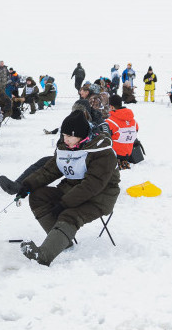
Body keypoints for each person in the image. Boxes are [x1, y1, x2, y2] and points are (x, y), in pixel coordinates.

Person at [9, 111, 120, 266]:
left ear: (82, 135)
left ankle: (44, 255)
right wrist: (27, 185)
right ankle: (60, 240)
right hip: (71, 190)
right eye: (64, 135)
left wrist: (64, 203)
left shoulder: (102, 152)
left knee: (69, 214)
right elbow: (49, 170)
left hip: (100, 197)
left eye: (70, 136)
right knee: (38, 196)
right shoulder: (67, 147)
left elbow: (92, 185)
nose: (65, 139)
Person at [105, 96, 138, 168]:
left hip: (115, 154)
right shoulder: (133, 121)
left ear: (112, 107)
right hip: (128, 153)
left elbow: (105, 137)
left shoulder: (110, 121)